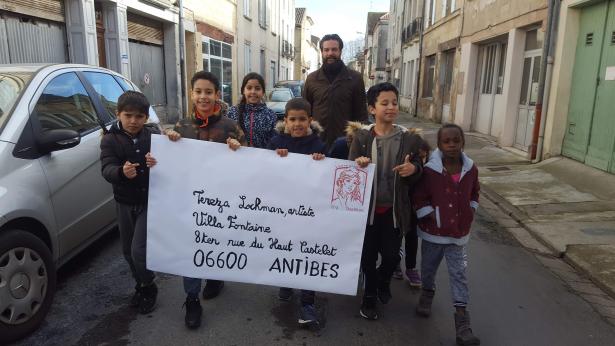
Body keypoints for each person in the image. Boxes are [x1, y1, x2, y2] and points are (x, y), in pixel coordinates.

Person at [164, 71, 246, 329]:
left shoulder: (230, 127)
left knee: (216, 241)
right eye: (198, 91)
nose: (203, 96)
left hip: (222, 201)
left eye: (208, 92)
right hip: (190, 201)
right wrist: (170, 144)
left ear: (217, 95)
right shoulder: (182, 127)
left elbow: (251, 164)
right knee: (191, 247)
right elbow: (170, 165)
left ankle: (215, 277)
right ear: (192, 94)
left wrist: (238, 149)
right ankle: (191, 299)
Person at [350, 82, 423, 320]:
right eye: (384, 103)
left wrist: (413, 169)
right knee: (367, 257)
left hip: (394, 211)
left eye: (394, 102)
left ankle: (383, 280)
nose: (391, 107)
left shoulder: (408, 139)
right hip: (367, 213)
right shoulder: (361, 137)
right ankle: (369, 295)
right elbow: (349, 171)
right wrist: (358, 164)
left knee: (391, 256)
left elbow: (419, 171)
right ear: (372, 108)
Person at [413, 123, 481, 346]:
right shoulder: (430, 170)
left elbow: (475, 192)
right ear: (440, 145)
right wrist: (429, 214)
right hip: (434, 232)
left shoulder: (470, 169)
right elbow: (420, 196)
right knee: (429, 268)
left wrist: (471, 208)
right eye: (446, 141)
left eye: (456, 141)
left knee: (459, 274)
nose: (452, 145)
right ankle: (427, 292)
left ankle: (462, 323)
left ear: (463, 142)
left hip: (459, 235)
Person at [267, 97, 326, 327]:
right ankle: (285, 282)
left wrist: (321, 161)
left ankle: (308, 302)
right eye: (293, 119)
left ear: (310, 120)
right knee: (284, 246)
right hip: (282, 209)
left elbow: (325, 177)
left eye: (303, 119)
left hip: (309, 211)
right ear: (286, 120)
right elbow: (263, 172)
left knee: (307, 252)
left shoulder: (319, 146)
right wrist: (275, 158)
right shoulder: (275, 143)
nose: (298, 124)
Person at [100, 91, 160, 314]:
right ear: (118, 114)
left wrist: (157, 162)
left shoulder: (153, 136)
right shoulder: (109, 139)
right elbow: (106, 169)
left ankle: (149, 285)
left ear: (146, 117)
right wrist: (121, 172)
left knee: (138, 250)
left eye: (139, 116)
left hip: (148, 202)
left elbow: (169, 162)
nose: (133, 121)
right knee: (126, 250)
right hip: (124, 202)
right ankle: (141, 284)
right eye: (128, 115)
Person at [303, 34, 368, 149]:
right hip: (317, 142)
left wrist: (358, 142)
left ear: (340, 51)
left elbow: (361, 114)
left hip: (345, 143)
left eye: (334, 49)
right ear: (322, 52)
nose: (330, 53)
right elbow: (305, 111)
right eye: (326, 50)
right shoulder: (312, 78)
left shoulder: (355, 78)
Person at [392, 139, 431, 287]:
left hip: (414, 209)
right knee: (395, 236)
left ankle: (410, 268)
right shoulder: (405, 163)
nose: (421, 160)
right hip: (400, 205)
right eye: (419, 157)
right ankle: (395, 263)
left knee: (411, 237)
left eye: (424, 157)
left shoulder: (429, 169)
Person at [227, 72, 277, 148]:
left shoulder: (270, 115)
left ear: (263, 92)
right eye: (249, 88)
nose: (253, 92)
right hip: (237, 157)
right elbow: (226, 135)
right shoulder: (232, 112)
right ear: (243, 91)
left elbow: (274, 141)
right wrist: (230, 141)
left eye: (257, 88)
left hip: (262, 158)